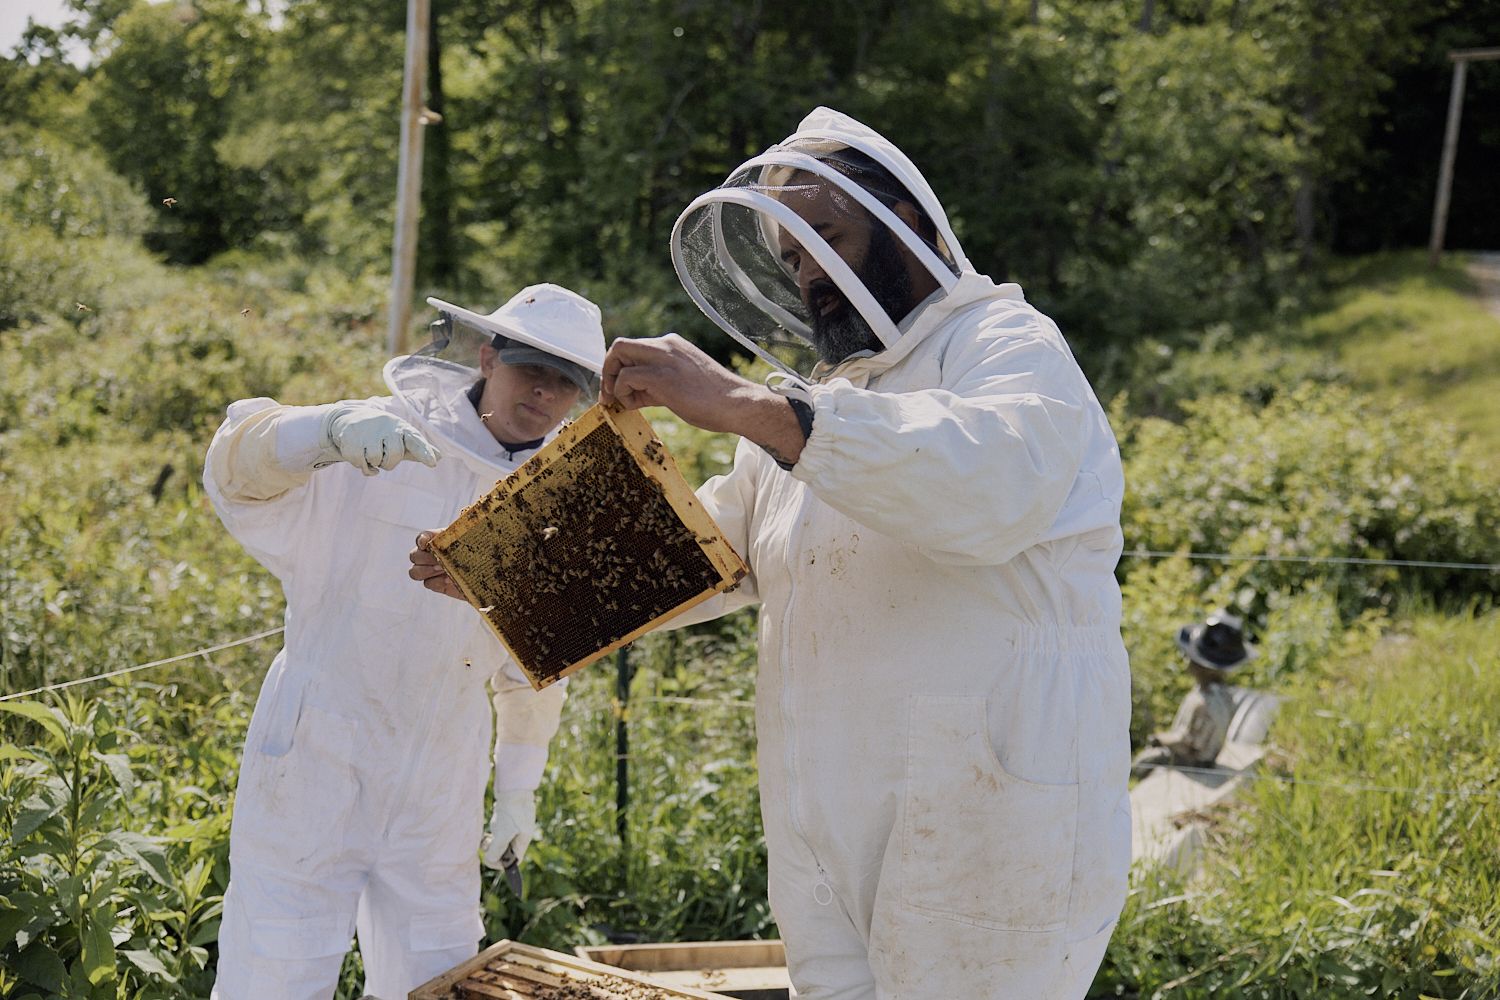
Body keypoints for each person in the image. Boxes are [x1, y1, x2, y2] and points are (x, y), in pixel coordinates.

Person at [413, 107, 1132, 999]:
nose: (809, 275)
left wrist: (747, 406)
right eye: (793, 258)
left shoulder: (1005, 346)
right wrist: (516, 571)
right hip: (826, 819)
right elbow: (700, 550)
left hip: (986, 814)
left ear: (905, 228)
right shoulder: (823, 402)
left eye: (825, 237)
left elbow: (987, 489)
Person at [205, 284, 605, 1000]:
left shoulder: (559, 499)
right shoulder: (377, 432)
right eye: (529, 370)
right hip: (315, 758)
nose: (543, 392)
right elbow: (234, 473)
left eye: (565, 382)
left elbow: (538, 661)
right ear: (488, 356)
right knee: (273, 977)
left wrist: (518, 788)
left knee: (440, 978)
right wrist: (325, 430)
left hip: (440, 783)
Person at [1131, 611, 1258, 778]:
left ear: (1203, 666)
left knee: (1142, 762)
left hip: (1191, 762)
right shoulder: (1223, 696)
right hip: (1200, 757)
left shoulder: (1205, 703)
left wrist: (1160, 739)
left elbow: (1189, 744)